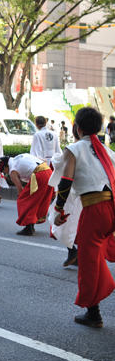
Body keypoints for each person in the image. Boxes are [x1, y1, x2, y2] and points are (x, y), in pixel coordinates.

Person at [52, 107, 115, 327]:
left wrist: (59, 210)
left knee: (87, 260)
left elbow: (65, 181)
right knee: (94, 253)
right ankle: (101, 294)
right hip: (111, 209)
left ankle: (93, 313)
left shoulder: (75, 148)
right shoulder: (108, 152)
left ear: (76, 128)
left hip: (95, 210)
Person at [0, 153, 53, 236]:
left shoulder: (12, 171)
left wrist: (21, 199)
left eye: (3, 171)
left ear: (5, 167)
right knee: (36, 200)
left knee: (25, 200)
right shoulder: (21, 156)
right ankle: (31, 225)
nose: (5, 173)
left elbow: (20, 189)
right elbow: (44, 161)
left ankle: (28, 228)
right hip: (49, 172)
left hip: (40, 176)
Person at [48, 123, 81, 267]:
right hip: (97, 197)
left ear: (77, 130)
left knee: (60, 221)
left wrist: (58, 207)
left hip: (74, 194)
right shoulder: (105, 151)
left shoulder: (73, 149)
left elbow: (59, 164)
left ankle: (72, 251)